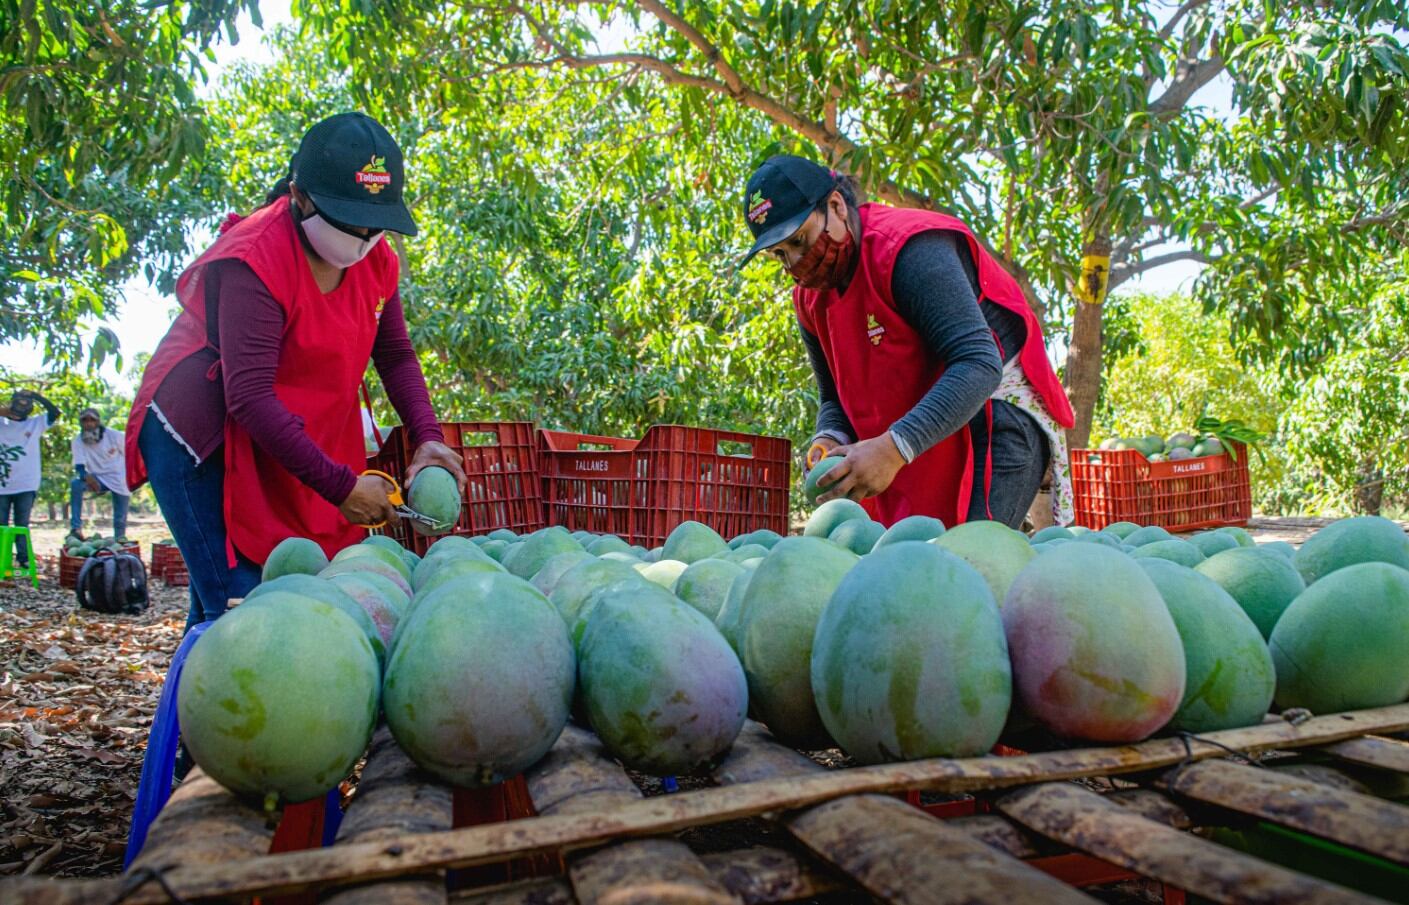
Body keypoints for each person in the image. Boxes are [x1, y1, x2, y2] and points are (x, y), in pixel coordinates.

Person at [126, 112, 466, 632]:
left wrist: (429, 437)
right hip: (201, 433)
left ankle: (189, 708)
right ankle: (209, 706)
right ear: (299, 197)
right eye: (348, 222)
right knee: (244, 611)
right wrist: (342, 488)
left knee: (254, 602)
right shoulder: (256, 257)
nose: (364, 238)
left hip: (277, 425)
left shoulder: (376, 261)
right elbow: (251, 398)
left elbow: (394, 353)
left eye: (376, 226)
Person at [740, 155, 1075, 529]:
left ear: (835, 205)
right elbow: (833, 399)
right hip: (921, 435)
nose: (796, 262)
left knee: (972, 565)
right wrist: (829, 437)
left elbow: (978, 364)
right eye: (780, 254)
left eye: (800, 240)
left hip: (993, 417)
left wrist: (894, 447)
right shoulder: (810, 301)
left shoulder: (908, 250)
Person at [0, 389, 60, 571]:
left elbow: (54, 413)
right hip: (2, 485)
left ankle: (24, 558)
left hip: (26, 483)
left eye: (26, 403)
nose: (21, 406)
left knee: (22, 524)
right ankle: (3, 561)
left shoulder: (36, 424)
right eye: (19, 402)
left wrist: (37, 396)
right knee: (1, 525)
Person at [69, 408, 131, 542]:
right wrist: (85, 476)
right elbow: (79, 465)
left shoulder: (115, 436)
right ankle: (76, 528)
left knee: (120, 518)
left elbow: (130, 454)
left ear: (98, 422)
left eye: (92, 420)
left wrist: (131, 476)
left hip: (119, 477)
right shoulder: (78, 441)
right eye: (85, 420)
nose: (89, 423)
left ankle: (119, 539)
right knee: (76, 484)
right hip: (97, 479)